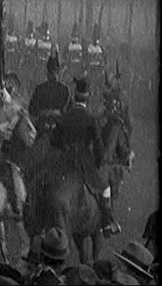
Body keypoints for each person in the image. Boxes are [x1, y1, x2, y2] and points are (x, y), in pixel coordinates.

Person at [50, 76, 121, 237]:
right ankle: (107, 222)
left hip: (62, 162)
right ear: (87, 98)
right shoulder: (91, 120)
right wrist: (97, 161)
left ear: (74, 97)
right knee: (105, 188)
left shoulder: (64, 118)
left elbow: (54, 141)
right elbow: (101, 153)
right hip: (83, 163)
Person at [28, 53, 71, 131]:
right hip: (59, 127)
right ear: (58, 72)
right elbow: (70, 111)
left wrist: (44, 113)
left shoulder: (40, 88)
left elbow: (32, 109)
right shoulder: (65, 90)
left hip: (43, 126)